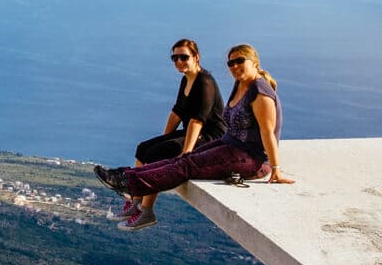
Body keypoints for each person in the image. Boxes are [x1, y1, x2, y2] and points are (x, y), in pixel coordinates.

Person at [94, 44, 295, 230]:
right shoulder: (241, 84)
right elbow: (178, 111)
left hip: (250, 159)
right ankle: (127, 177)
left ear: (254, 62)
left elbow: (267, 133)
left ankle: (129, 183)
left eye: (240, 61)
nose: (234, 66)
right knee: (183, 159)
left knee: (187, 166)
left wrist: (275, 170)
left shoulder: (260, 93)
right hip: (230, 145)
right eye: (231, 63)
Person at [110, 38, 226, 231]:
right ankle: (136, 200)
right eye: (175, 58)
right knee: (144, 148)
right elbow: (177, 112)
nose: (179, 61)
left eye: (184, 57)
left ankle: (147, 211)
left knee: (160, 153)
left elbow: (198, 120)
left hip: (210, 137)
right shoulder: (186, 79)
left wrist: (186, 153)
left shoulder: (205, 82)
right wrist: (164, 138)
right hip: (194, 132)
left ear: (196, 57)